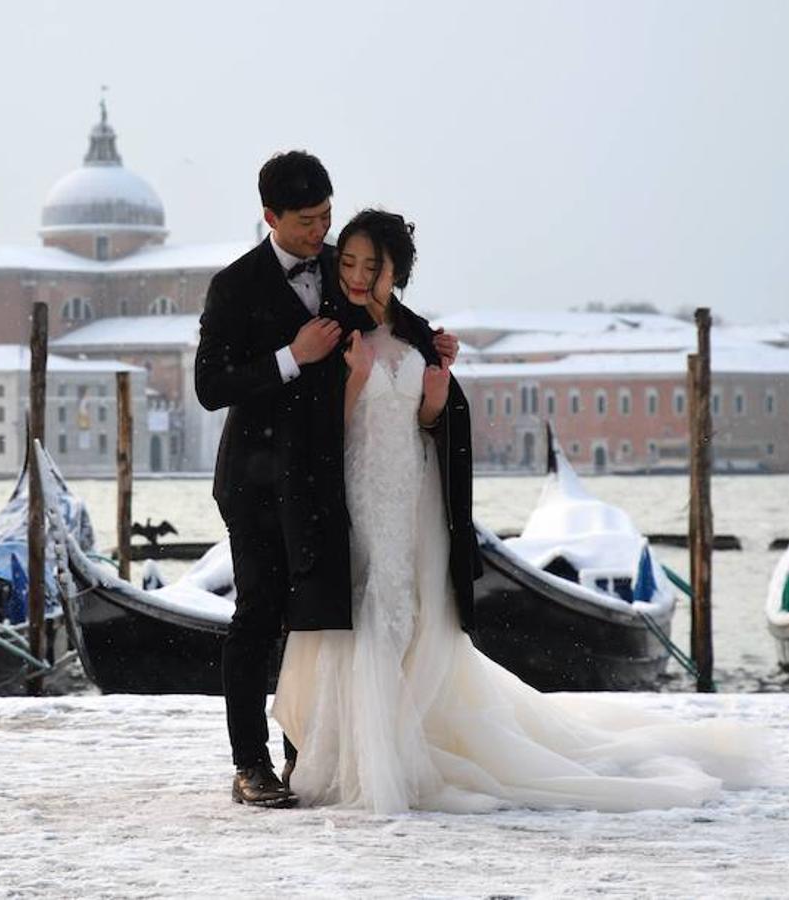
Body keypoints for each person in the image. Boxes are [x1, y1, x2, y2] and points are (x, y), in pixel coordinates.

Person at [272, 210, 766, 814]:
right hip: (355, 490)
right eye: (346, 262)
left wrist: (433, 398)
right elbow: (323, 434)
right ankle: (359, 753)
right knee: (369, 608)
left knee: (411, 614)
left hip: (413, 493)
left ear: (396, 272)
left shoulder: (419, 334)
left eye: (370, 266)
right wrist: (354, 379)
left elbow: (431, 425)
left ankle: (406, 739)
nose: (355, 276)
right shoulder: (331, 334)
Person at [194, 153, 457, 808]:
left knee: (316, 622)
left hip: (323, 479)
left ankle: (308, 756)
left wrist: (433, 344)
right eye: (308, 221)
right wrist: (292, 357)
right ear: (270, 217)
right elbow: (209, 386)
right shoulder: (234, 286)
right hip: (254, 478)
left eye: (327, 216)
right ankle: (251, 763)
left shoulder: (344, 267)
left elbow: (390, 312)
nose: (322, 231)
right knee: (258, 615)